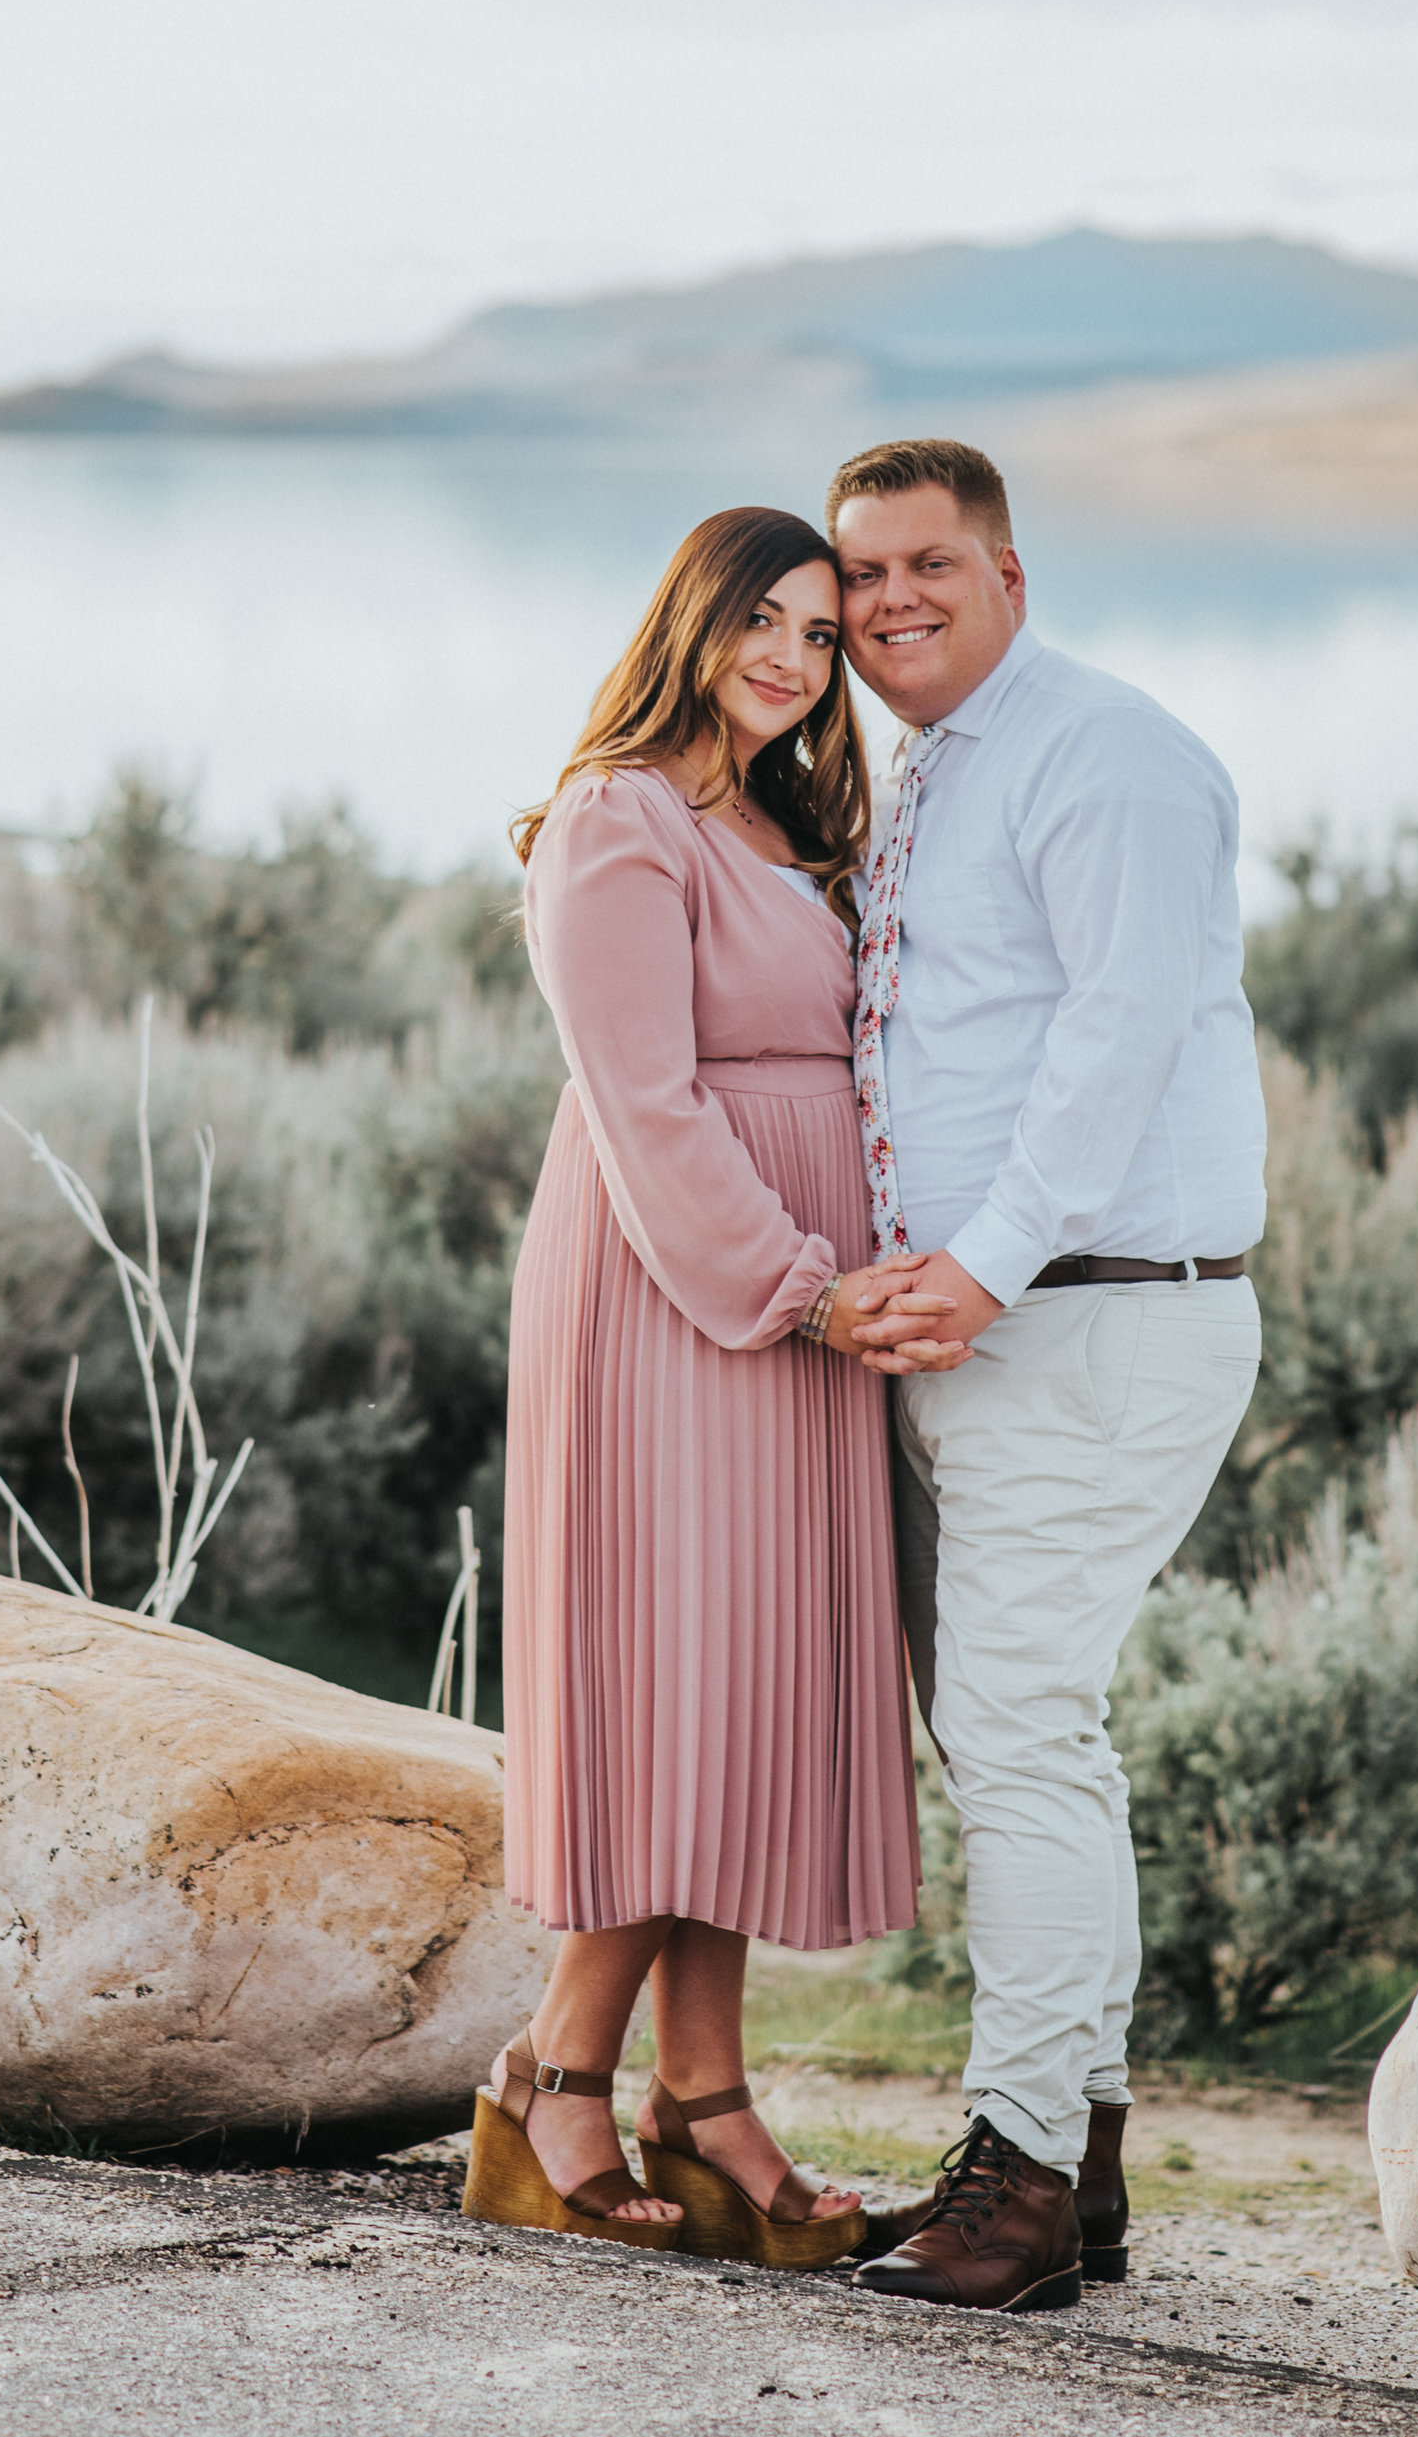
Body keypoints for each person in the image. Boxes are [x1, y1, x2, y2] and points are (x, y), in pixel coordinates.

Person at [466, 504, 960, 2266]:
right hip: (680, 1293)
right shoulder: (615, 819)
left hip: (798, 1297)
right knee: (688, 1694)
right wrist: (804, 1291)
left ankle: (691, 2090)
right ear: (692, 616)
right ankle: (561, 2083)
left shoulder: (778, 819)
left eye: (823, 636)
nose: (794, 657)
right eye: (766, 617)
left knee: (739, 1699)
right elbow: (645, 1105)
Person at [831, 438, 1269, 2318]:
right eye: (859, 573)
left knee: (1016, 1733)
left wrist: (981, 1268)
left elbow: (1119, 1030)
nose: (889, 599)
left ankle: (1013, 2183)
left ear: (1012, 572)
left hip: (1093, 1313)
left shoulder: (1109, 753)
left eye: (929, 561)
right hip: (1005, 1320)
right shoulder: (940, 768)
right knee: (1030, 1737)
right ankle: (1066, 2165)